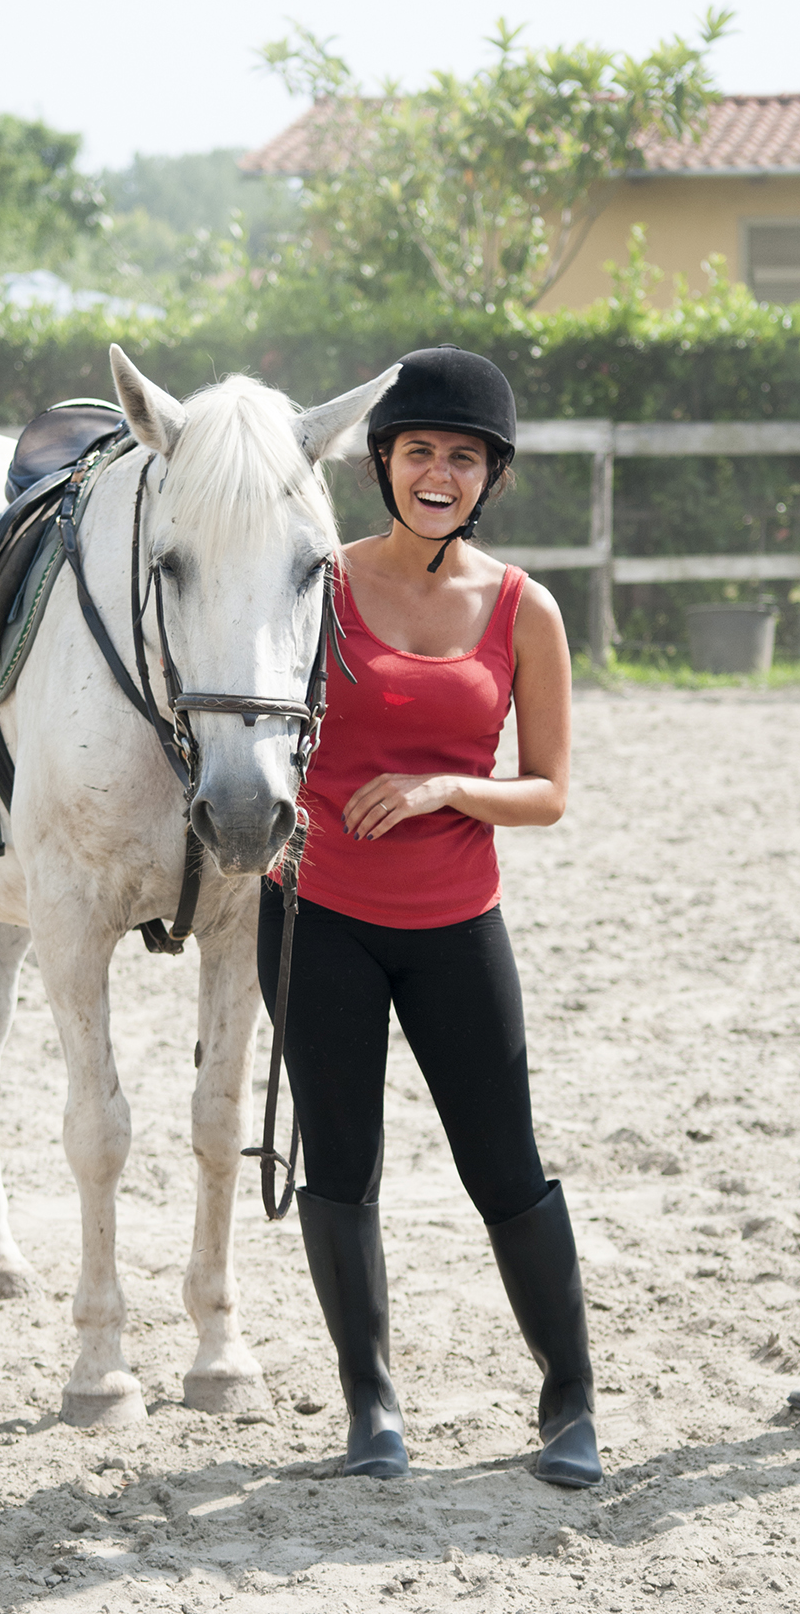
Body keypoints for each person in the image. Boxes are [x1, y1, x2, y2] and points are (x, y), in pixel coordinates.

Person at [259, 345, 602, 1488]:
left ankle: (569, 1404)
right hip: (315, 919)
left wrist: (445, 786)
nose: (438, 474)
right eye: (419, 452)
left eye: (463, 457)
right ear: (382, 464)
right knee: (340, 1163)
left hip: (457, 926)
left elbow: (547, 791)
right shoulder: (312, 586)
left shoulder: (521, 609)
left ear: (490, 476)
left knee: (504, 1163)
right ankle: (372, 1413)